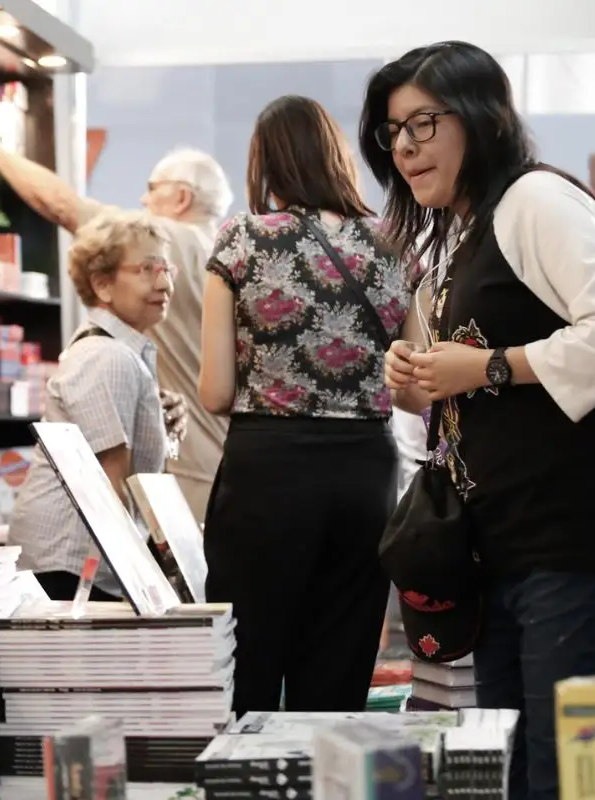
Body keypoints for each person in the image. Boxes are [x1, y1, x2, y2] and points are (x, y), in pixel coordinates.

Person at [361, 41, 595, 799]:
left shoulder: (538, 202)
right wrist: (420, 378)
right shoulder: (455, 235)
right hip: (499, 552)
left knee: (569, 779)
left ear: (483, 115)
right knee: (520, 775)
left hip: (574, 546)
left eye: (422, 123)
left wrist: (489, 366)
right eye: (392, 131)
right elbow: (458, 381)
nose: (403, 147)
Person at [199, 95, 406, 715]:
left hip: (269, 465)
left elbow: (214, 391)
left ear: (265, 162)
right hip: (367, 467)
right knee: (339, 663)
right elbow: (413, 373)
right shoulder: (393, 243)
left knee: (249, 660)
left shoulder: (241, 240)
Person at [0, 124, 232, 523]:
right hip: (216, 471)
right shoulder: (224, 258)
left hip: (180, 481)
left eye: (152, 188)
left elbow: (65, 206)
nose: (142, 199)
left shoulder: (169, 241)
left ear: (181, 196)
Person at [7, 210, 186, 601]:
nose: (165, 282)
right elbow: (111, 482)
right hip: (67, 566)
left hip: (72, 563)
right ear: (103, 285)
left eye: (166, 268)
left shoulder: (116, 351)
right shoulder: (108, 356)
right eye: (146, 269)